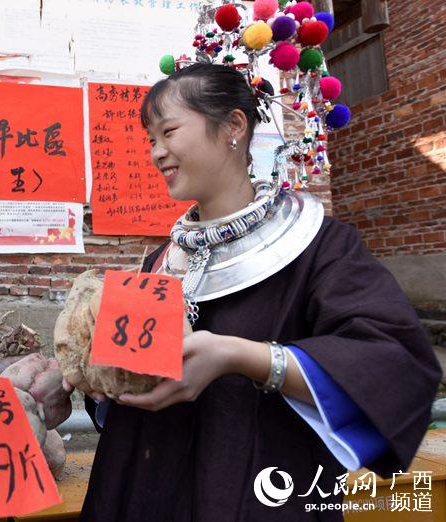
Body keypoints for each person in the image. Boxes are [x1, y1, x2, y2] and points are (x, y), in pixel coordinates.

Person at [77, 63, 442, 521]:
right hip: (141, 492)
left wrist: (241, 357)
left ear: (233, 126)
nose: (156, 153)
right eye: (151, 139)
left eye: (168, 132)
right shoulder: (161, 259)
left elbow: (395, 362)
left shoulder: (319, 247)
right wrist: (91, 375)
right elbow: (125, 382)